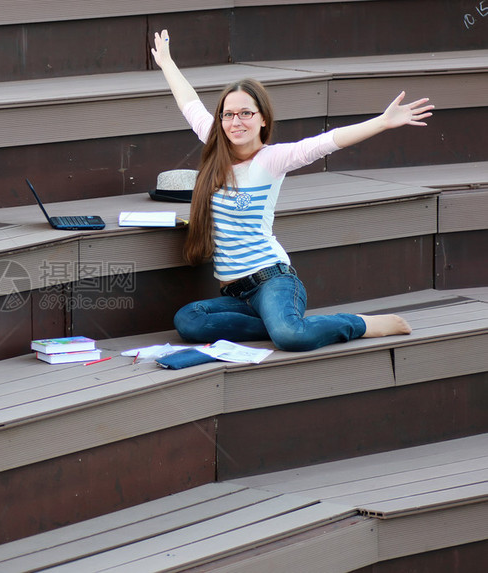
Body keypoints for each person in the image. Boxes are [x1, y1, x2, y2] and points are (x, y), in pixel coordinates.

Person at [151, 29, 434, 352]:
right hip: (236, 295)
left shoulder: (271, 160)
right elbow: (189, 103)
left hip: (273, 281)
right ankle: (280, 323)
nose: (235, 122)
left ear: (262, 120)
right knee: (189, 320)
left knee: (290, 337)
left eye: (246, 113)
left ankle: (362, 324)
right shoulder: (216, 146)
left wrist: (382, 122)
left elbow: (326, 142)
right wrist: (167, 63)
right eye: (228, 114)